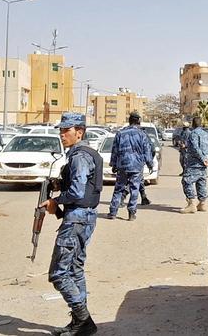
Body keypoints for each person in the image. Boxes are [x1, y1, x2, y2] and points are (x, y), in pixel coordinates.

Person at [39, 112, 102, 336]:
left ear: (79, 132)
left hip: (77, 218)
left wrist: (55, 201)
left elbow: (76, 191)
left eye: (66, 130)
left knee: (58, 273)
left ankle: (84, 320)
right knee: (75, 270)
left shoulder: (79, 156)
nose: (62, 134)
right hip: (84, 216)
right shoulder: (84, 153)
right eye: (61, 130)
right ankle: (79, 323)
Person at [107, 112, 153, 221]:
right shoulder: (142, 134)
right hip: (137, 166)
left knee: (118, 189)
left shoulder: (120, 133)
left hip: (122, 165)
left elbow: (114, 150)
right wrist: (150, 164)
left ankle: (113, 212)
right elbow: (147, 151)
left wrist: (113, 164)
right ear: (138, 121)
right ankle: (131, 212)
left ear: (129, 121)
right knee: (134, 188)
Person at [180, 117, 208, 213]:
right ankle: (202, 203)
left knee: (186, 181)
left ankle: (192, 204)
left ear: (193, 124)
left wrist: (202, 159)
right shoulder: (206, 134)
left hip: (194, 163)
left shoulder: (193, 134)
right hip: (203, 163)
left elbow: (196, 148)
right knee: (201, 182)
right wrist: (206, 159)